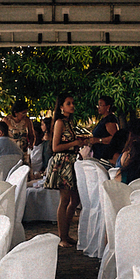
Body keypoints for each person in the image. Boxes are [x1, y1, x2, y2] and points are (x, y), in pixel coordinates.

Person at [44, 92, 90, 248]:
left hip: (71, 162)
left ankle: (66, 233)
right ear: (62, 106)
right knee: (64, 200)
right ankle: (62, 237)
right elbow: (55, 147)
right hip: (63, 162)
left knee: (74, 200)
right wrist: (74, 142)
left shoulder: (69, 122)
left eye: (72, 103)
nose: (72, 106)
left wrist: (77, 142)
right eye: (68, 103)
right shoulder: (59, 122)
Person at [89, 96, 119, 162]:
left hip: (106, 156)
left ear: (108, 107)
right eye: (98, 105)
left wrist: (99, 140)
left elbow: (115, 137)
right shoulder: (103, 119)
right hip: (99, 154)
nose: (98, 107)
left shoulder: (110, 120)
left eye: (101, 105)